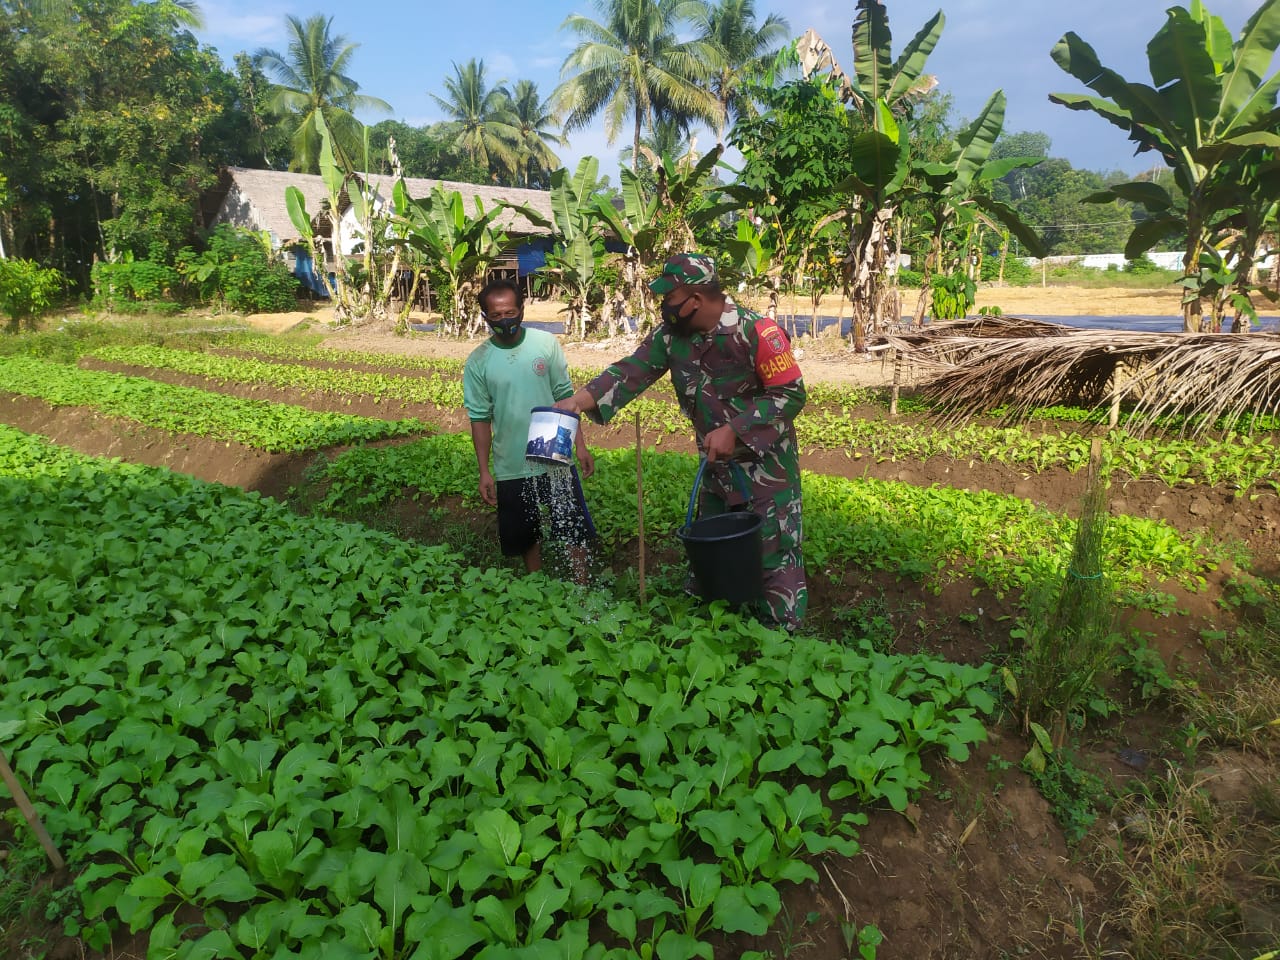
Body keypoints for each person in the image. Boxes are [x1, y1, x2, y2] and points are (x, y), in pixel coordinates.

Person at [556, 252, 808, 629]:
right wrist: (578, 401)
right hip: (716, 471)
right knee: (714, 555)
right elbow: (632, 371)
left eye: (669, 298)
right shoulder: (672, 337)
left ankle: (783, 646)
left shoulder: (757, 332)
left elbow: (790, 392)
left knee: (773, 559)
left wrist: (735, 429)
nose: (664, 306)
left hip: (766, 473)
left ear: (695, 299)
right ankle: (717, 639)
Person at [463, 277, 595, 578]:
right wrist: (484, 470)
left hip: (552, 444)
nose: (504, 320)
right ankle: (537, 588)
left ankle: (582, 585)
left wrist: (580, 444)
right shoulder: (479, 361)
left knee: (571, 523)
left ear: (522, 309)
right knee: (525, 532)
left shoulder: (545, 344)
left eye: (510, 312)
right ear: (485, 317)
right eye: (495, 316)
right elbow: (480, 418)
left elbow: (564, 396)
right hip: (511, 457)